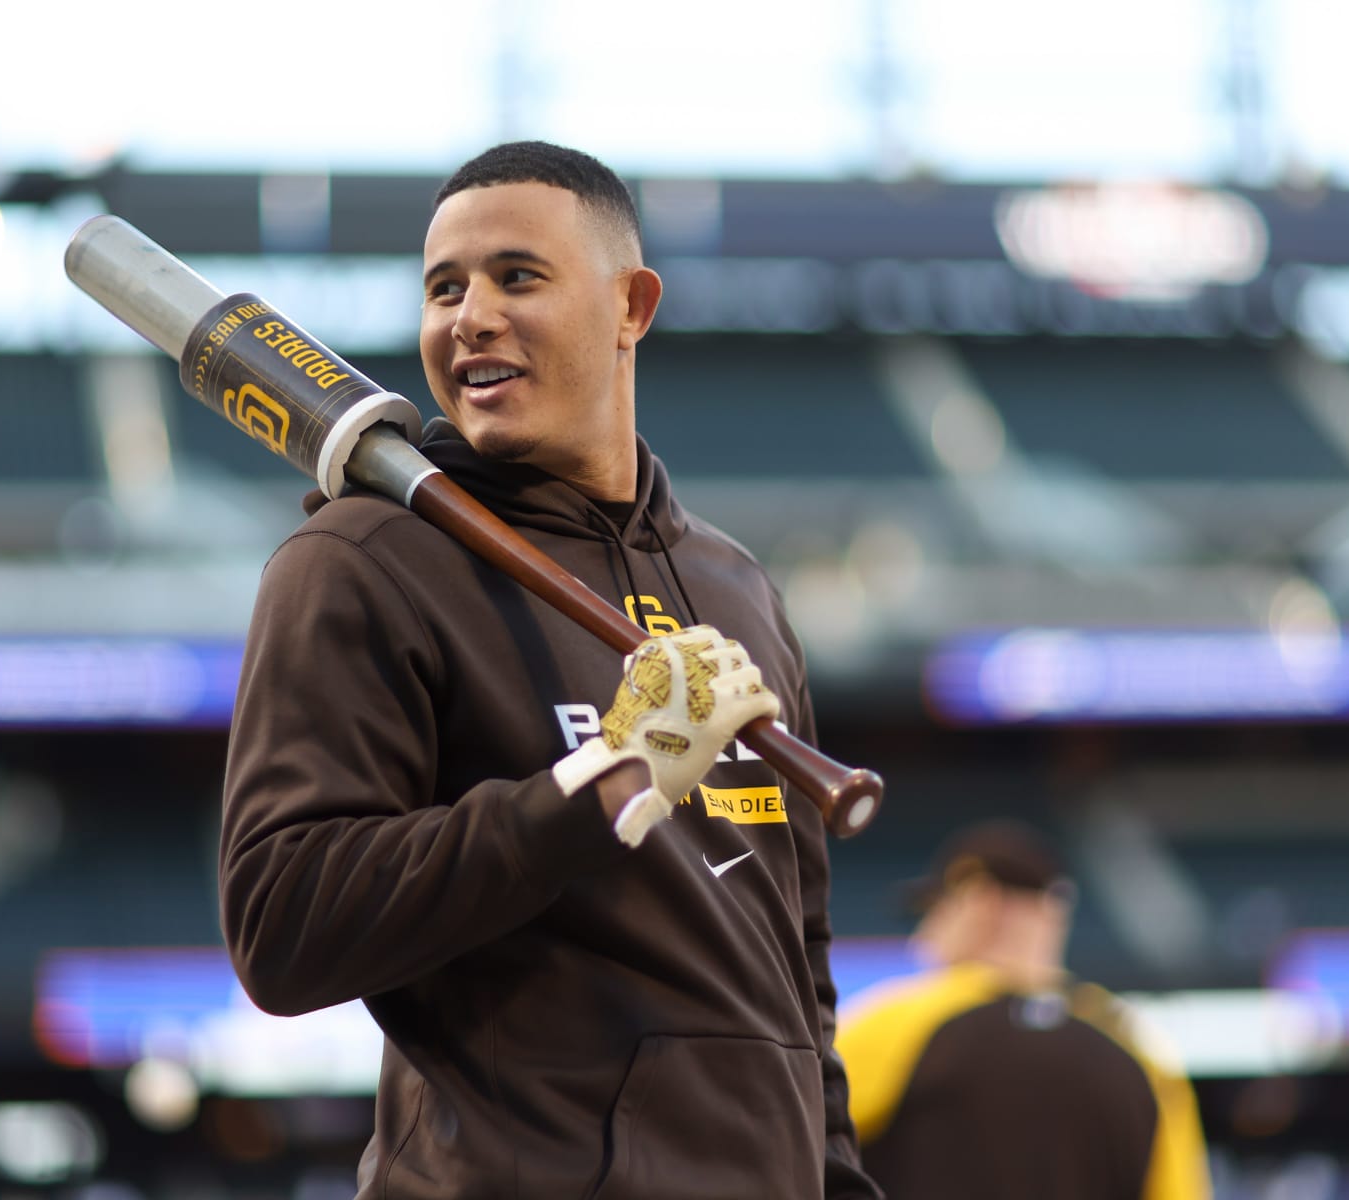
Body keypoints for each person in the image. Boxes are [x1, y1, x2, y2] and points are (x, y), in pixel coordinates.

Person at [218, 141, 882, 1199]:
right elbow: (282, 922)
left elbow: (794, 971)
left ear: (632, 306)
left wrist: (836, 1180)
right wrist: (608, 780)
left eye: (515, 277)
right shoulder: (359, 563)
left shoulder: (736, 585)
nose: (468, 317)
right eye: (444, 288)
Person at [835, 820, 1212, 1200]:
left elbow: (796, 1140)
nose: (923, 935)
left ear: (979, 902)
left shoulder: (898, 1024)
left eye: (934, 912)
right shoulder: (1137, 1046)